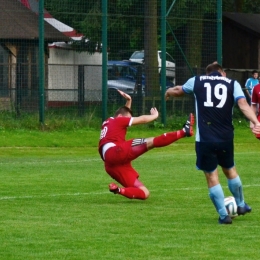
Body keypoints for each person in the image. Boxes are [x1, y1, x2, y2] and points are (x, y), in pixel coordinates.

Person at [165, 62, 260, 224]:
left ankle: (224, 216)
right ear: (222, 73)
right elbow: (243, 104)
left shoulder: (196, 81)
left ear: (207, 74)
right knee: (230, 170)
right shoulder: (232, 83)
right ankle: (242, 204)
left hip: (205, 139)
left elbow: (178, 90)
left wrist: (168, 92)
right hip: (225, 138)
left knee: (211, 175)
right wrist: (256, 122)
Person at [98, 89, 194, 200]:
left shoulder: (110, 121)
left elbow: (123, 113)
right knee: (150, 142)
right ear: (120, 117)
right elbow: (142, 119)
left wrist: (129, 100)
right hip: (115, 152)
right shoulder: (118, 121)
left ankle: (118, 190)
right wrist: (154, 116)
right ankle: (183, 132)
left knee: (144, 193)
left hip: (111, 164)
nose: (129, 121)